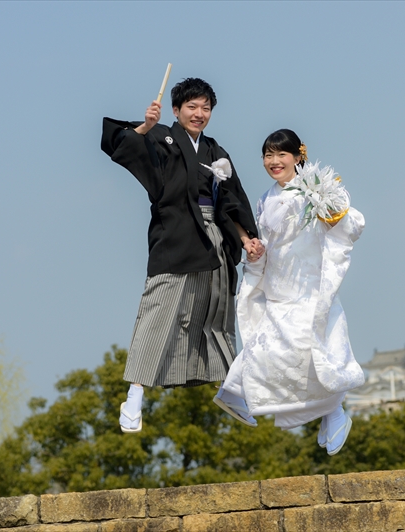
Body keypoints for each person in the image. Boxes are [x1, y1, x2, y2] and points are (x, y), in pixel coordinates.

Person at [101, 78, 264, 433]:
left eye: (206, 108)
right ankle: (134, 395)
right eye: (192, 107)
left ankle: (231, 390)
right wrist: (144, 126)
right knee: (159, 311)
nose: (199, 113)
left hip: (214, 236)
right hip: (176, 234)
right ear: (176, 110)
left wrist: (247, 237)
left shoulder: (215, 149)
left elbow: (232, 197)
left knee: (215, 315)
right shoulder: (160, 136)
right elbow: (121, 145)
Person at [213, 129, 365, 455]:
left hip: (309, 290)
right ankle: (235, 394)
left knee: (313, 357)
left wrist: (333, 210)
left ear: (298, 156)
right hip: (278, 289)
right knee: (265, 349)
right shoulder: (265, 199)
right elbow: (270, 244)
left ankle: (333, 412)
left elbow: (352, 223)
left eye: (281, 154)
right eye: (268, 155)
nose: (274, 161)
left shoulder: (315, 187)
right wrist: (255, 253)